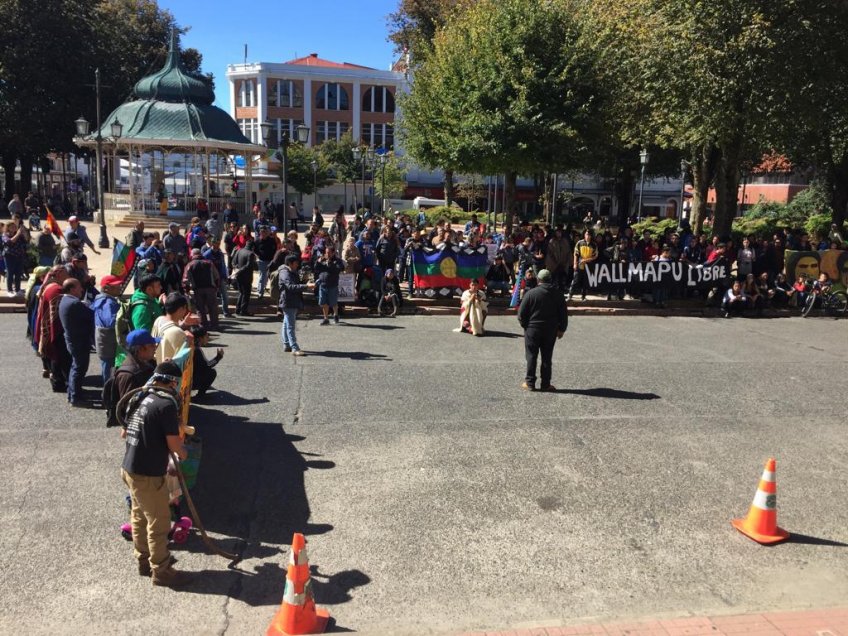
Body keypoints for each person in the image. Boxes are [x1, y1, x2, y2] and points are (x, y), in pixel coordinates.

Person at [120, 360, 192, 587]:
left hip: (130, 467)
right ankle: (161, 570)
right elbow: (174, 444)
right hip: (148, 473)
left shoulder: (139, 396)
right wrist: (184, 453)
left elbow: (124, 432)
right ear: (173, 383)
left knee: (140, 517)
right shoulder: (165, 405)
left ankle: (144, 561)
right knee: (159, 522)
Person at [517, 269, 568, 391]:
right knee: (547, 357)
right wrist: (561, 329)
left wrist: (526, 326)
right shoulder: (558, 294)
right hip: (550, 330)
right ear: (550, 280)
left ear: (538, 280)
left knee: (531, 356)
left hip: (532, 329)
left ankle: (530, 383)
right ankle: (546, 384)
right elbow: (563, 314)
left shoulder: (531, 293)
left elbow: (521, 314)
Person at [58, 278, 94, 406]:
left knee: (75, 367)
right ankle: (75, 397)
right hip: (78, 341)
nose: (82, 289)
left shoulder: (65, 300)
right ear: (72, 289)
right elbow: (91, 315)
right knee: (79, 369)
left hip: (72, 340)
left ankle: (72, 392)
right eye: (79, 287)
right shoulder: (75, 304)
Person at [114, 275, 164, 367]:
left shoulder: (150, 299)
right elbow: (142, 336)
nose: (161, 287)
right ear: (149, 289)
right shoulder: (141, 310)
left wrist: (160, 304)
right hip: (142, 358)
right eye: (158, 285)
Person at [278, 254, 314, 355]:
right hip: (288, 301)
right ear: (290, 263)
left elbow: (296, 283)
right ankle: (294, 348)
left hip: (290, 300)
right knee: (290, 326)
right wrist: (306, 286)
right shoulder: (285, 273)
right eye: (296, 263)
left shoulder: (291, 271)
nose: (297, 265)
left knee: (286, 323)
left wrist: (304, 280)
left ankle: (286, 345)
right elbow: (291, 286)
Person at [92, 275, 123, 384]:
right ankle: (108, 392)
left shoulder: (100, 299)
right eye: (116, 285)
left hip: (104, 342)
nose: (119, 287)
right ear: (106, 288)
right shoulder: (108, 303)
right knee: (109, 371)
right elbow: (111, 322)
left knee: (107, 368)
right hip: (108, 343)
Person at [151, 293, 194, 364]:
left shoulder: (159, 320)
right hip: (171, 369)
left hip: (158, 365)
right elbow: (184, 360)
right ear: (180, 309)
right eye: (185, 308)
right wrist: (188, 342)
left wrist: (183, 323)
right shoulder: (178, 332)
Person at [182, 249, 220, 329]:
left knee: (200, 308)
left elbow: (185, 279)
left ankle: (203, 325)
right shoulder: (209, 263)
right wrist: (216, 287)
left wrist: (186, 290)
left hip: (197, 289)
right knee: (212, 307)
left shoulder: (190, 264)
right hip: (210, 288)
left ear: (192, 255)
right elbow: (216, 276)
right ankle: (214, 325)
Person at [189, 325, 223, 397]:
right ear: (200, 338)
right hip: (191, 382)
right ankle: (200, 395)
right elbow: (207, 365)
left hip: (184, 380)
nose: (208, 338)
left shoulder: (189, 345)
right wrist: (218, 357)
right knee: (212, 372)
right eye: (206, 336)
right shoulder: (197, 350)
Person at [314, 243, 344, 325]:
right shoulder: (322, 260)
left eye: (329, 252)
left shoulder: (337, 261)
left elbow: (339, 269)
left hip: (332, 285)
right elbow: (316, 268)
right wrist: (318, 262)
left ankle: (336, 314)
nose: (327, 254)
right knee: (323, 302)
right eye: (326, 252)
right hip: (323, 284)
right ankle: (326, 318)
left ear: (333, 253)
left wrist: (330, 264)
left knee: (333, 302)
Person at [568, 230, 597, 302]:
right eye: (586, 234)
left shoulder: (594, 245)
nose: (588, 236)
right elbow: (576, 254)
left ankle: (583, 296)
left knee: (585, 282)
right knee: (575, 280)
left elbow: (595, 256)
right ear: (584, 235)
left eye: (589, 235)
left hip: (588, 266)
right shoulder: (579, 243)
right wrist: (575, 264)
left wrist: (586, 260)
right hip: (579, 265)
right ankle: (570, 295)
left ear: (591, 236)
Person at [231, 239, 257, 316]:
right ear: (253, 247)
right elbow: (248, 266)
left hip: (238, 276)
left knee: (241, 292)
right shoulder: (251, 254)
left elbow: (233, 262)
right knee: (246, 294)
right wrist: (240, 270)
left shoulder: (239, 251)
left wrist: (237, 269)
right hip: (246, 276)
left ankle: (238, 309)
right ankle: (243, 310)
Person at [2, 221, 28, 296]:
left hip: (19, 256)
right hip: (9, 256)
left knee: (18, 273)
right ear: (8, 228)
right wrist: (18, 234)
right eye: (12, 227)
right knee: (10, 273)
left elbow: (26, 241)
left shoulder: (19, 234)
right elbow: (10, 242)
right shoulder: (5, 235)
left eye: (15, 227)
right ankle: (9, 290)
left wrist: (24, 232)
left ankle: (17, 289)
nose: (14, 228)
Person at [254, 226, 277, 298]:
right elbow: (255, 250)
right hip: (262, 261)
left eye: (265, 232)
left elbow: (275, 249)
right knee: (262, 276)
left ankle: (264, 288)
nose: (263, 233)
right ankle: (260, 292)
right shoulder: (257, 241)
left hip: (270, 261)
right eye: (262, 232)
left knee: (268, 277)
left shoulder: (272, 240)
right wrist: (258, 256)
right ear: (260, 233)